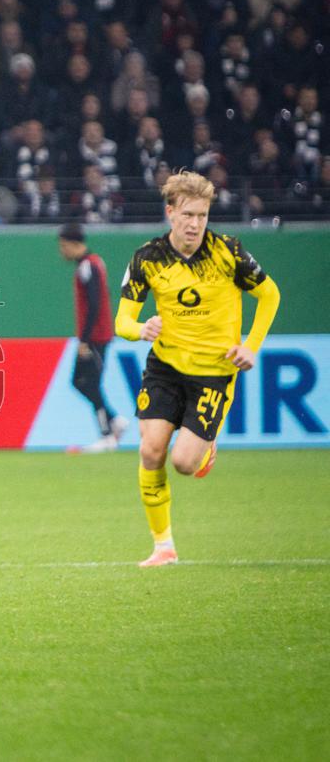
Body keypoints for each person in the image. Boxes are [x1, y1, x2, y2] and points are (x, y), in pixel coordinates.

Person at [115, 170, 281, 568]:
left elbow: (270, 294)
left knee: (184, 463)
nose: (195, 224)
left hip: (213, 372)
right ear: (170, 212)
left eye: (202, 216)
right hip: (165, 366)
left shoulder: (228, 252)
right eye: (188, 215)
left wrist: (251, 346)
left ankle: (204, 448)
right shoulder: (147, 259)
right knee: (151, 450)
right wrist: (142, 329)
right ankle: (163, 546)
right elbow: (122, 322)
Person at [57, 222, 127, 452]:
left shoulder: (88, 267)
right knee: (80, 382)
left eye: (63, 246)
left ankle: (107, 434)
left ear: (73, 244)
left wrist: (85, 340)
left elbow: (95, 304)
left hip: (96, 337)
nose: (62, 252)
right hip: (97, 336)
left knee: (89, 383)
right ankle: (114, 421)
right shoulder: (94, 263)